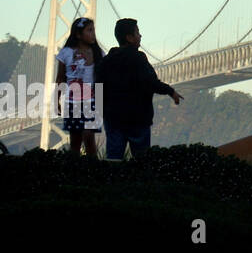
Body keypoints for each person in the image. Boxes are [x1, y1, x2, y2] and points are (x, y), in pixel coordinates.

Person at [98, 18, 182, 159]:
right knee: (142, 162)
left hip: (113, 119)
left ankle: (112, 181)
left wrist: (103, 111)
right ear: (129, 38)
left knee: (113, 161)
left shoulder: (106, 61)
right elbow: (151, 82)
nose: (140, 36)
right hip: (137, 119)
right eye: (137, 33)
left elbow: (98, 86)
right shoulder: (138, 58)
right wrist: (170, 91)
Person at [54, 17, 104, 156]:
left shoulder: (98, 53)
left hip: (93, 101)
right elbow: (60, 78)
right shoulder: (66, 53)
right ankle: (74, 171)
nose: (93, 34)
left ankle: (92, 170)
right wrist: (56, 100)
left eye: (93, 30)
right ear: (78, 34)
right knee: (75, 140)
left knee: (89, 137)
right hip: (72, 101)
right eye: (89, 30)